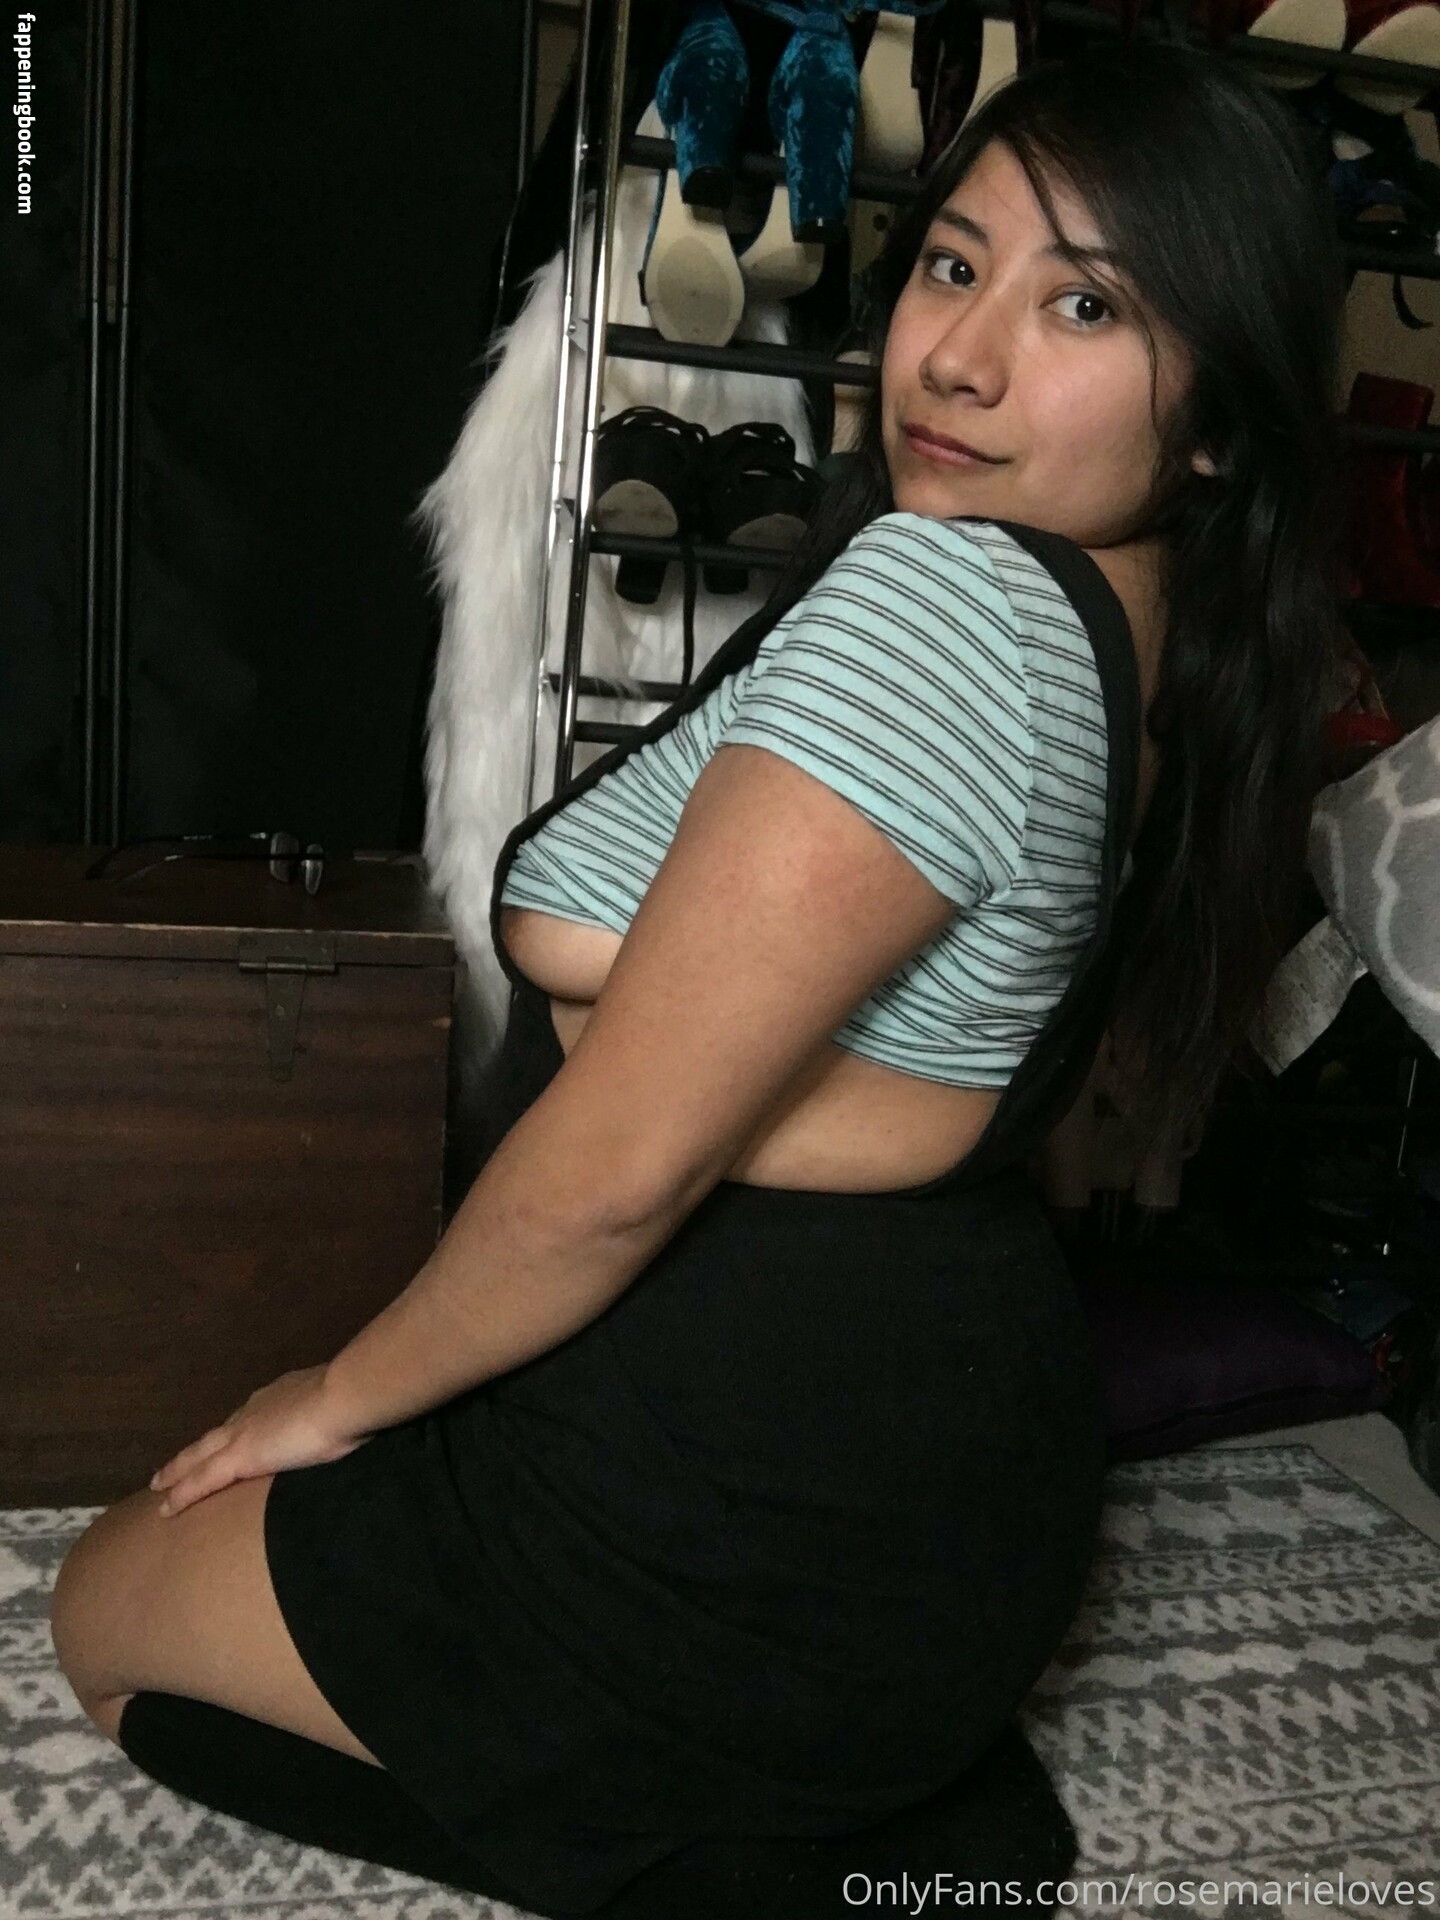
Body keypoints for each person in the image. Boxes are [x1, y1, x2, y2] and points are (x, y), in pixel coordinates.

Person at [51, 35, 1349, 1920]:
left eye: (1085, 304)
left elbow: (613, 1170)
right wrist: (717, 1082)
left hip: (750, 1511)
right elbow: (930, 1074)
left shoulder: (950, 607)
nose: (960, 357)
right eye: (954, 264)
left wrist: (337, 1392)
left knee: (101, 1615)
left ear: (1219, 418)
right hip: (932, 1517)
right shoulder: (1151, 629)